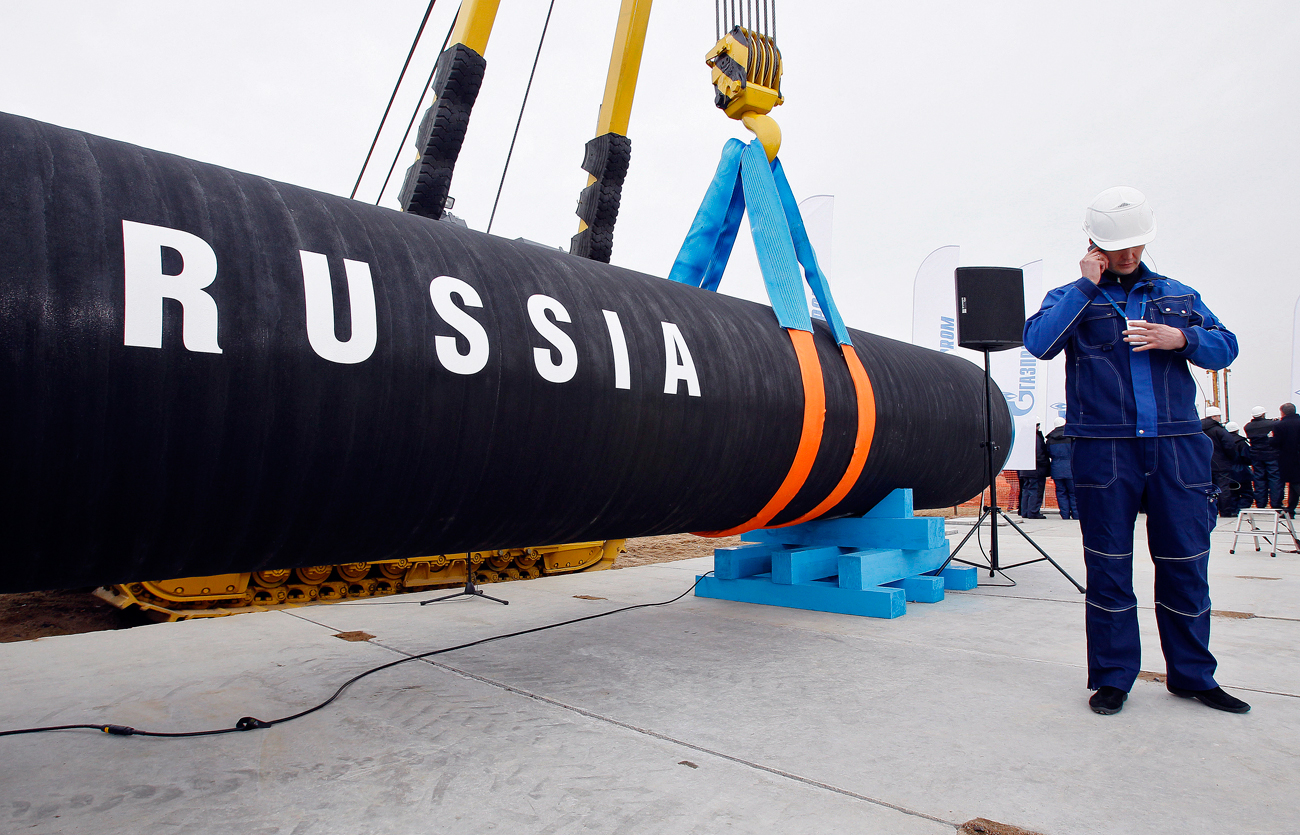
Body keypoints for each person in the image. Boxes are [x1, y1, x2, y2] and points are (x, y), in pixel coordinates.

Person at [1024, 186, 1249, 715]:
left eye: (1135, 247)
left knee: (1186, 563)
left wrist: (1182, 340)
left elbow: (1227, 346)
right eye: (1117, 247)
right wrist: (1086, 285)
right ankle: (1113, 676)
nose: (1128, 256)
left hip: (1177, 447)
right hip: (1104, 451)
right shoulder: (1070, 295)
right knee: (1108, 565)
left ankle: (1193, 675)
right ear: (1093, 243)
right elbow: (1039, 343)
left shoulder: (1180, 296)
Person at [1201, 407, 1238, 517]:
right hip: (1221, 464)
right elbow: (1230, 446)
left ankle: (1208, 510)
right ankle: (1225, 511)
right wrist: (1231, 458)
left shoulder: (1198, 429)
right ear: (1214, 417)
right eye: (1218, 416)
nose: (1219, 418)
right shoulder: (1220, 430)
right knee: (1223, 488)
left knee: (1205, 489)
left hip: (1203, 464)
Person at [1244, 406, 1283, 509]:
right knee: (1274, 479)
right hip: (1272, 455)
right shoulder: (1273, 424)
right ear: (1263, 414)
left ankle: (1260, 504)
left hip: (1256, 456)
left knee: (1259, 479)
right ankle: (1276, 504)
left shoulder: (1248, 426)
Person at [1045, 416, 1077, 519]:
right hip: (1070, 469)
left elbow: (1048, 453)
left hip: (1056, 469)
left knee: (1061, 492)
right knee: (1073, 493)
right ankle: (1076, 514)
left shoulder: (1050, 439)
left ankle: (1065, 514)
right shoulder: (1071, 437)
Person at [1017, 424, 1049, 519]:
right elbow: (1039, 455)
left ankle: (1025, 511)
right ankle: (1033, 512)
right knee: (1035, 490)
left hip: (1024, 469)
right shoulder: (1035, 438)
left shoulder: (1022, 438)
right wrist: (1046, 465)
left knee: (1026, 489)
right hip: (1035, 469)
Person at [1223, 421, 1254, 513]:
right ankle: (1241, 509)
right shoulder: (1242, 442)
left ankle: (1233, 510)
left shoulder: (1223, 442)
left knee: (1232, 493)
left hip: (1227, 471)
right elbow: (1247, 457)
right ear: (1237, 430)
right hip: (1242, 470)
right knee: (1246, 492)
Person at [1276, 403, 1300, 518]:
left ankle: (1290, 510)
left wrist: (1271, 438)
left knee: (1295, 483)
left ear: (1283, 412)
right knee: (1294, 484)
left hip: (1288, 459)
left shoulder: (1280, 425)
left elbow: (1276, 442)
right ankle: (1290, 509)